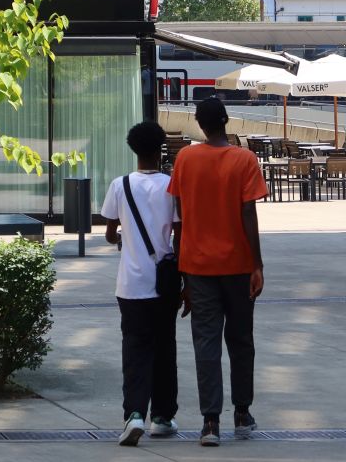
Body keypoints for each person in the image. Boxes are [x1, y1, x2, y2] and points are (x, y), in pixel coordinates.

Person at [168, 97, 267, 447]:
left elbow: (180, 218)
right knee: (241, 341)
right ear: (226, 121)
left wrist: (183, 274)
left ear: (199, 123)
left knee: (206, 343)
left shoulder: (185, 159)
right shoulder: (244, 159)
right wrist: (257, 264)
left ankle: (210, 422)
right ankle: (242, 413)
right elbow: (248, 215)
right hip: (238, 266)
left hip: (198, 267)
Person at [102, 120, 182, 447]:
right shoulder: (171, 185)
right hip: (164, 283)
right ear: (160, 149)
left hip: (131, 284)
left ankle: (134, 414)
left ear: (133, 149)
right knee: (165, 348)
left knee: (135, 349)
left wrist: (124, 237)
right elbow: (180, 230)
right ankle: (162, 417)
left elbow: (109, 234)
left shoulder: (119, 185)